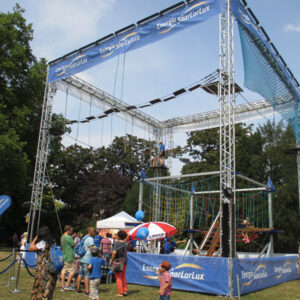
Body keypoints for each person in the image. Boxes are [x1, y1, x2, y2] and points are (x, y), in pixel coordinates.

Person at [29, 226, 57, 300]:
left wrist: (35, 238)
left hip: (43, 267)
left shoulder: (42, 243)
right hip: (51, 266)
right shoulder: (53, 242)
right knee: (49, 285)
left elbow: (30, 248)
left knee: (41, 285)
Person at [76, 227, 95, 296]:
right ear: (90, 231)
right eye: (93, 231)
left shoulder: (84, 237)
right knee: (87, 275)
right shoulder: (90, 239)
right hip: (87, 259)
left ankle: (78, 289)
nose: (94, 232)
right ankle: (87, 290)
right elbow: (91, 249)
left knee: (80, 274)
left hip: (81, 258)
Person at [110, 230, 128, 297]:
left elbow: (114, 252)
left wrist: (111, 260)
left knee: (118, 278)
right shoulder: (126, 243)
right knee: (123, 277)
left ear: (119, 236)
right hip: (124, 261)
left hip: (118, 262)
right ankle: (125, 291)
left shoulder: (117, 243)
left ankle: (120, 292)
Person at [60, 225, 76, 291]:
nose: (72, 232)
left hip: (64, 255)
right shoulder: (68, 237)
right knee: (72, 271)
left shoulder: (62, 237)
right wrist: (73, 238)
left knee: (63, 271)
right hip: (69, 256)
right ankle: (68, 284)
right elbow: (74, 245)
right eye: (71, 231)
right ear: (68, 230)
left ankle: (62, 285)